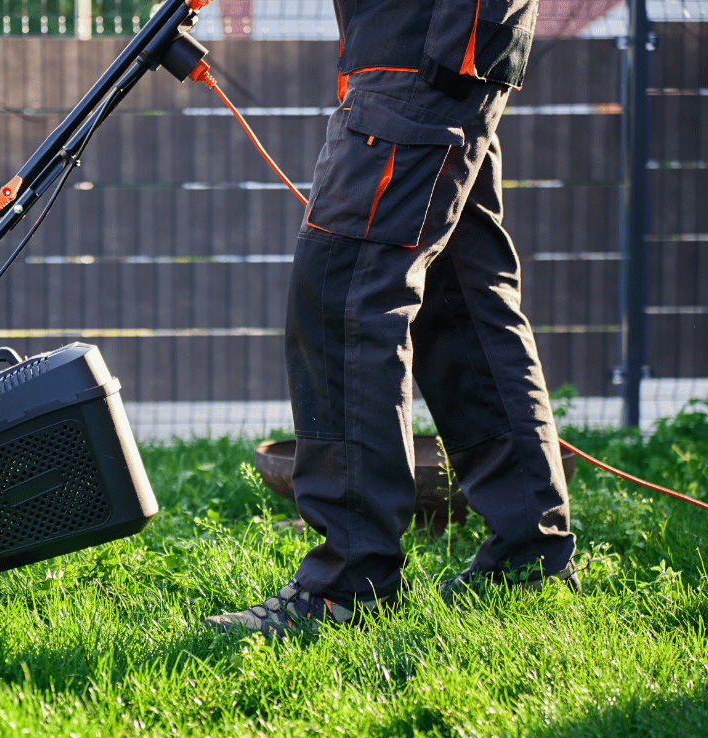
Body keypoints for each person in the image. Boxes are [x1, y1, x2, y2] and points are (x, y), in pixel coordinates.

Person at [206, 0, 580, 636]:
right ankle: (530, 555)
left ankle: (349, 585)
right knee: (460, 300)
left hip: (423, 46)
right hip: (444, 44)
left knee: (344, 293)